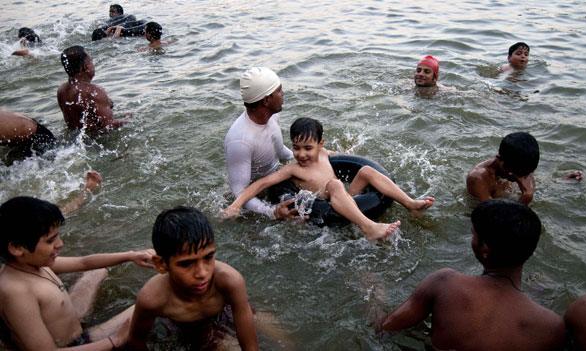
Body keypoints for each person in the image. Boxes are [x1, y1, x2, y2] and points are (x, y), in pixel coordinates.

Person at [379, 199, 565, 350]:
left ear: (484, 248)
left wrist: (375, 294)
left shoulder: (445, 283)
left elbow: (387, 328)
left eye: (473, 234)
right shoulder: (551, 327)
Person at [222, 117, 434, 240]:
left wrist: (353, 152)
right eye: (296, 148)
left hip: (345, 198)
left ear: (320, 144)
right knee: (334, 184)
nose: (301, 154)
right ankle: (368, 226)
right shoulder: (293, 169)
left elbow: (345, 157)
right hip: (328, 203)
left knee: (366, 171)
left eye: (308, 148)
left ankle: (409, 203)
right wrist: (237, 204)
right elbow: (262, 183)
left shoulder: (324, 154)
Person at [0, 196, 155, 350]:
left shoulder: (32, 263)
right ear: (17, 248)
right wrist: (114, 341)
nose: (60, 244)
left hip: (71, 323)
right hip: (75, 345)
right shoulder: (16, 291)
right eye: (50, 241)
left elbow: (84, 262)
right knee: (149, 303)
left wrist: (131, 255)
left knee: (97, 271)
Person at [126, 206, 258, 350]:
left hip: (226, 311)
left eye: (208, 257)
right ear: (162, 264)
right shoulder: (152, 299)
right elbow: (136, 342)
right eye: (186, 264)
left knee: (272, 328)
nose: (202, 273)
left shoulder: (229, 280)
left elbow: (251, 347)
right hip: (191, 330)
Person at [224, 67, 299, 221]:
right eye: (279, 91)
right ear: (266, 100)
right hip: (255, 200)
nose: (283, 94)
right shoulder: (240, 141)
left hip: (276, 180)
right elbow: (239, 192)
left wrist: (309, 156)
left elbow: (281, 152)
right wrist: (271, 212)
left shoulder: (272, 116)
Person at [57, 46, 128, 137]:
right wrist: (128, 120)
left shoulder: (61, 90)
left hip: (75, 139)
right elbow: (107, 126)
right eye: (91, 61)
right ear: (85, 67)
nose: (93, 64)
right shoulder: (93, 91)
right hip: (97, 142)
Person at [466, 132, 540, 205]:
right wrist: (526, 198)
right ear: (499, 159)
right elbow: (490, 213)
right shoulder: (477, 179)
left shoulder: (524, 167)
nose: (520, 177)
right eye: (516, 173)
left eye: (525, 174)